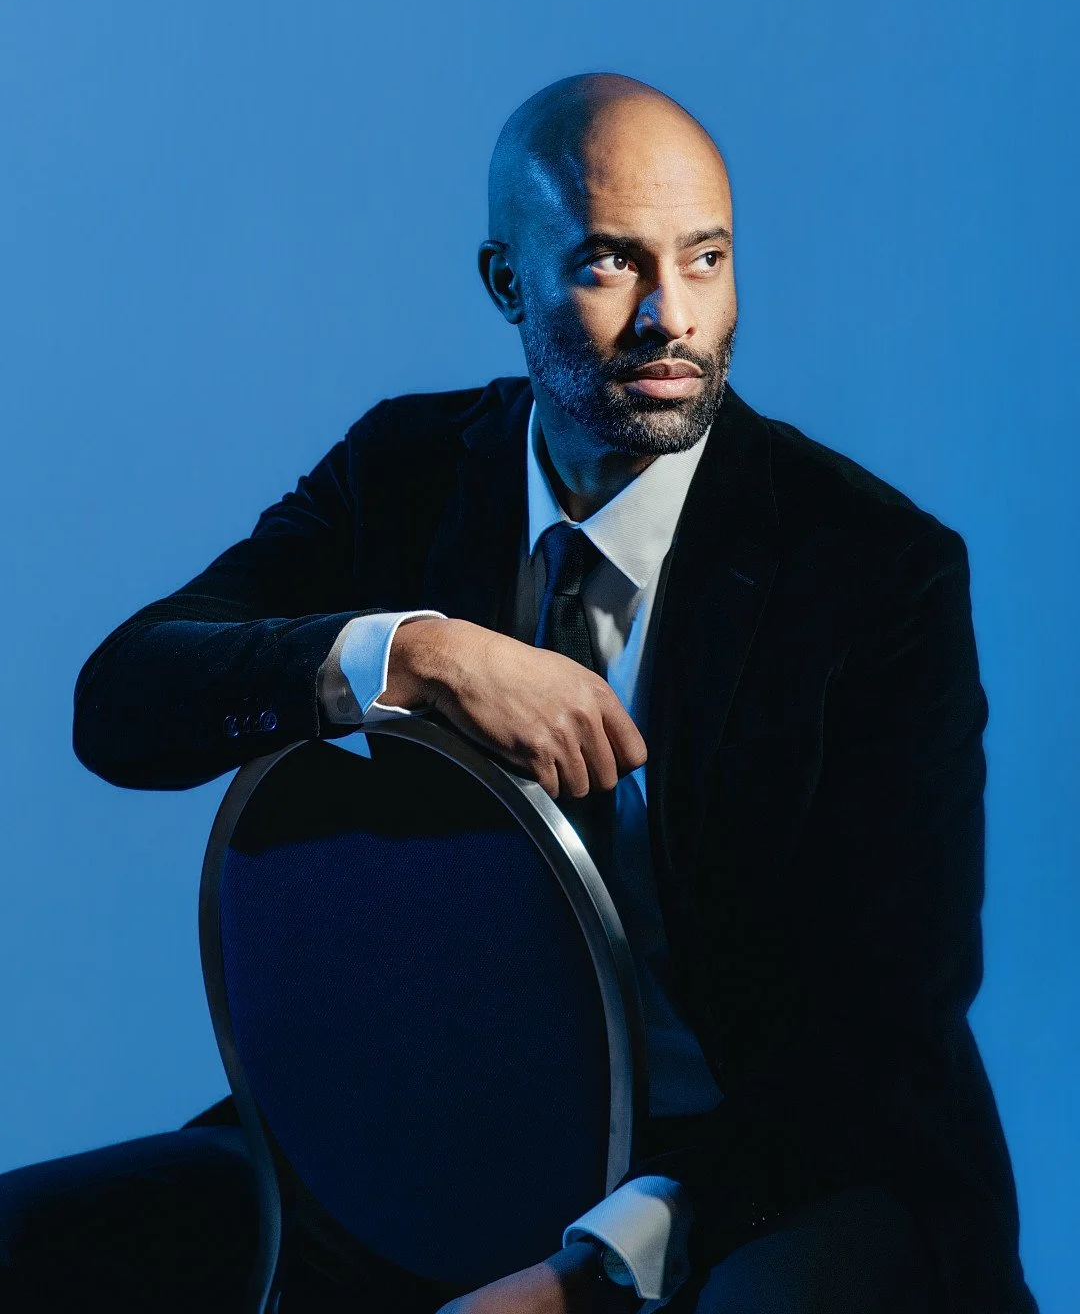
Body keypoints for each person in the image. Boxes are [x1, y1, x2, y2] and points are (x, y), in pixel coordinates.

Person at [0, 73, 1037, 1313]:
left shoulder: (873, 572)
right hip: (415, 1146)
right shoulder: (409, 470)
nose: (671, 316)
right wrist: (418, 651)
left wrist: (595, 1267)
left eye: (704, 260)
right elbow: (123, 701)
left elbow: (889, 1023)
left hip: (770, 1175)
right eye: (610, 265)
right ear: (508, 284)